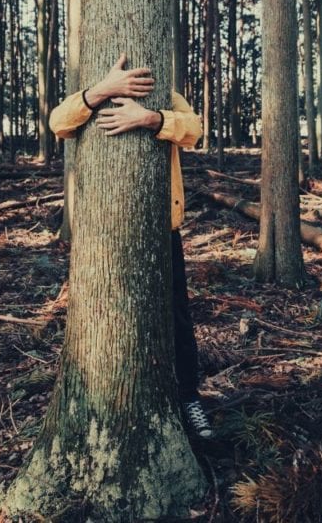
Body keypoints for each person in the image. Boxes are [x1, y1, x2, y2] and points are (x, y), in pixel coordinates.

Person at [49, 53, 213, 439]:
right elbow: (58, 123)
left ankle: (188, 398)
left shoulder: (166, 96)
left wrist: (151, 118)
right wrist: (102, 90)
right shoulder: (91, 95)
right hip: (101, 233)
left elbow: (195, 130)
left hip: (160, 229)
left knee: (176, 317)